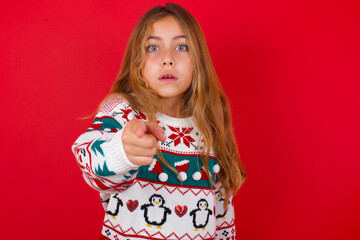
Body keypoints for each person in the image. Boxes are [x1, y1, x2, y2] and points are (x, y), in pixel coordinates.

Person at [72, 3, 246, 240]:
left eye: (181, 47)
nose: (167, 59)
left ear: (199, 62)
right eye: (153, 47)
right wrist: (122, 151)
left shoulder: (210, 125)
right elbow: (88, 161)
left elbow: (222, 216)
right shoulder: (123, 111)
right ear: (137, 62)